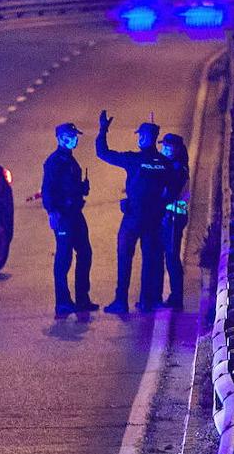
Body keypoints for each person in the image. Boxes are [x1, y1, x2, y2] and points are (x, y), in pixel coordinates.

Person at [95, 110, 173, 313]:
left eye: (140, 135)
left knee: (124, 257)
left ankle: (121, 301)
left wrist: (103, 129)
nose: (138, 138)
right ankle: (146, 301)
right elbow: (171, 191)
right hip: (154, 219)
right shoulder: (165, 164)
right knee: (150, 259)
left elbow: (103, 152)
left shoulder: (133, 160)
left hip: (133, 217)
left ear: (146, 137)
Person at [42, 122, 97, 318]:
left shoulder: (70, 161)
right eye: (69, 136)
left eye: (74, 136)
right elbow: (47, 189)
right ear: (59, 138)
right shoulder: (54, 162)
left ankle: (82, 298)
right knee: (63, 258)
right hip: (64, 215)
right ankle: (63, 302)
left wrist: (82, 188)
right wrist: (52, 212)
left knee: (85, 253)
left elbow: (69, 186)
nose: (73, 139)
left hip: (75, 213)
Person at [159, 133, 190, 309]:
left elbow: (169, 193)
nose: (164, 149)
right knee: (169, 256)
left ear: (176, 149)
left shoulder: (178, 168)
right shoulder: (173, 165)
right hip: (171, 217)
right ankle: (174, 296)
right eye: (163, 146)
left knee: (171, 257)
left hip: (174, 217)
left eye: (167, 147)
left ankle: (177, 297)